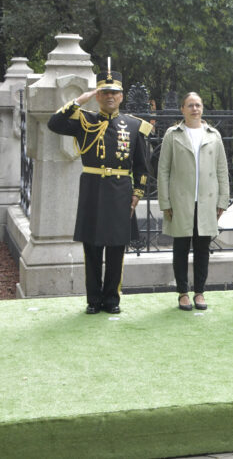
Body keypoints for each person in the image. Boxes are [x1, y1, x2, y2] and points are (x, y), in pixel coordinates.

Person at [47, 66, 152, 314]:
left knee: (116, 249)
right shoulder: (85, 120)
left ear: (121, 96)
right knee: (92, 248)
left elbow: (142, 167)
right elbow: (54, 123)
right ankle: (93, 300)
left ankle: (111, 300)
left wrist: (137, 194)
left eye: (114, 92)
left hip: (120, 193)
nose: (109, 97)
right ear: (97, 95)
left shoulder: (135, 126)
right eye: (104, 92)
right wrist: (78, 101)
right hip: (93, 190)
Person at [158, 92, 230, 311]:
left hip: (207, 201)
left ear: (202, 108)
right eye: (190, 105)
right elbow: (163, 170)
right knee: (180, 248)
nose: (195, 109)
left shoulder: (214, 135)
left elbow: (222, 170)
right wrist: (165, 202)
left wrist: (222, 200)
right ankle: (182, 292)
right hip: (181, 201)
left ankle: (200, 291)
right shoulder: (173, 135)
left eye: (198, 105)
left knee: (202, 250)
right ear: (182, 109)